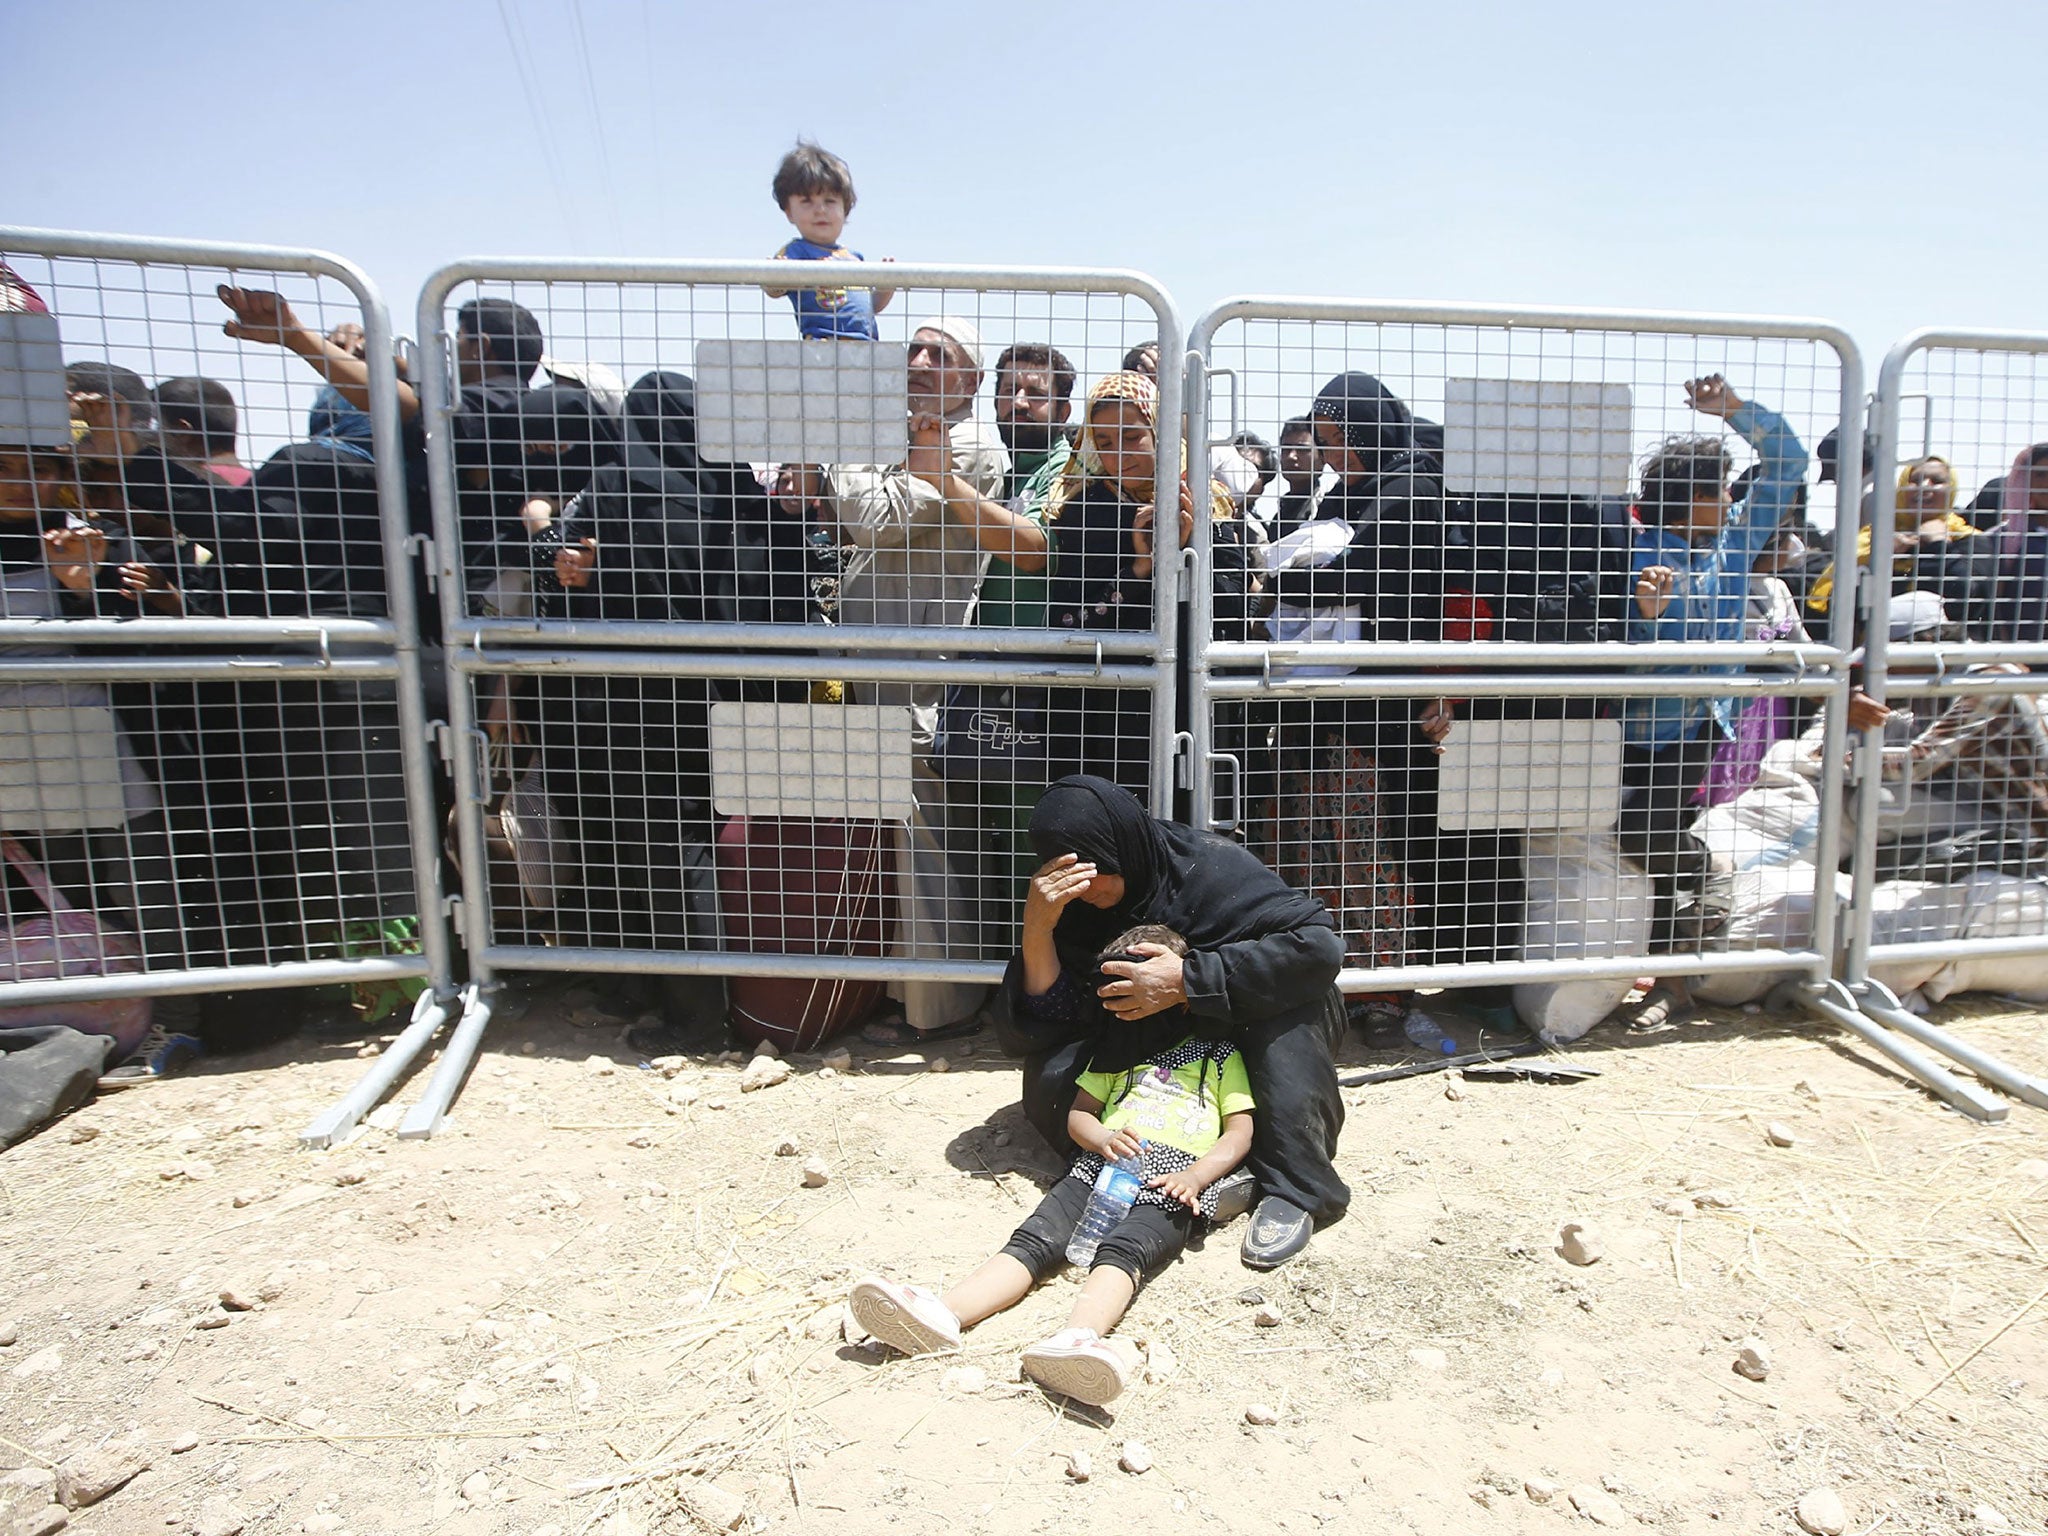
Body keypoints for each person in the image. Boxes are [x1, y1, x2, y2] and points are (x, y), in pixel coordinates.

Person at [847, 923, 1253, 1404]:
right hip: (1098, 1168)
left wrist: (1197, 1176)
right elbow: (1080, 1116)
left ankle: (1078, 1338)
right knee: (1036, 1239)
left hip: (1173, 1180)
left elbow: (1239, 1131)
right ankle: (944, 1312)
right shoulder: (1117, 1053)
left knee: (1126, 1250)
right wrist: (1101, 1138)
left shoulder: (1220, 1055)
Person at [997, 776, 1350, 1270]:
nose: (1084, 888)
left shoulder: (1209, 867)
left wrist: (1186, 980)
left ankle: (1291, 1191)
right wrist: (1038, 928)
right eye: (1065, 871)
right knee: (1053, 1080)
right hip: (1143, 1036)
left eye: (1094, 870)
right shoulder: (1073, 903)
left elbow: (1317, 948)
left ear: (1121, 848)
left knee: (1285, 1068)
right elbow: (1049, 1020)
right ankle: (1196, 1169)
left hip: (1241, 1019)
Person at [817, 318, 1009, 1040]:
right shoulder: (906, 442)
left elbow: (872, 517)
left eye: (943, 354)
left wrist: (842, 439)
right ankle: (909, 994)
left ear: (971, 380)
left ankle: (938, 1012)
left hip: (922, 677)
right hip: (884, 670)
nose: (922, 362)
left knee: (931, 842)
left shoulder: (968, 448)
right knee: (906, 837)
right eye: (915, 351)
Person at [1252, 372, 1460, 1009]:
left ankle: (1381, 991)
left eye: (1339, 436)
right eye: (1325, 437)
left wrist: (1271, 578)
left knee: (1373, 847)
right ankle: (1322, 977)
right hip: (1328, 703)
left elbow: (1364, 576)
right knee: (1317, 839)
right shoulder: (1353, 492)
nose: (1330, 451)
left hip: (1385, 710)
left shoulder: (1409, 491)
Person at [1626, 375, 1808, 947]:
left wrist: (1735, 412)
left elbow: (1789, 467)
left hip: (1702, 720)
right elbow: (1614, 636)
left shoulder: (1732, 544)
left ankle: (1703, 883)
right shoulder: (1632, 548)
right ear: (1691, 498)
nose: (1732, 499)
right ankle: (1664, 946)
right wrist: (1647, 613)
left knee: (1645, 834)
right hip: (1634, 723)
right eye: (1720, 489)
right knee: (1637, 834)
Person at [1040, 370, 1252, 793]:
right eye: (1105, 443)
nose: (1121, 454)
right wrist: (1141, 568)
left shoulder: (1207, 502)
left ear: (1161, 429)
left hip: (1192, 709)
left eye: (1132, 435)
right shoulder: (1086, 512)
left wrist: (1188, 550)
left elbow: (1235, 609)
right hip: (1106, 717)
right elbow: (1068, 621)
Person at [762, 140, 893, 341]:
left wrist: (886, 287)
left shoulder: (855, 258)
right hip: (822, 349)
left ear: (845, 208)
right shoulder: (797, 252)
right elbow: (773, 289)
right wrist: (775, 276)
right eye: (807, 202)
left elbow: (870, 307)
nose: (820, 210)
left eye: (830, 201)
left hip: (866, 353)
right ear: (789, 212)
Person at [152, 377, 249, 487]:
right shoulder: (260, 486)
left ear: (181, 431)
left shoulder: (181, 487)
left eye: (156, 425)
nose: (151, 435)